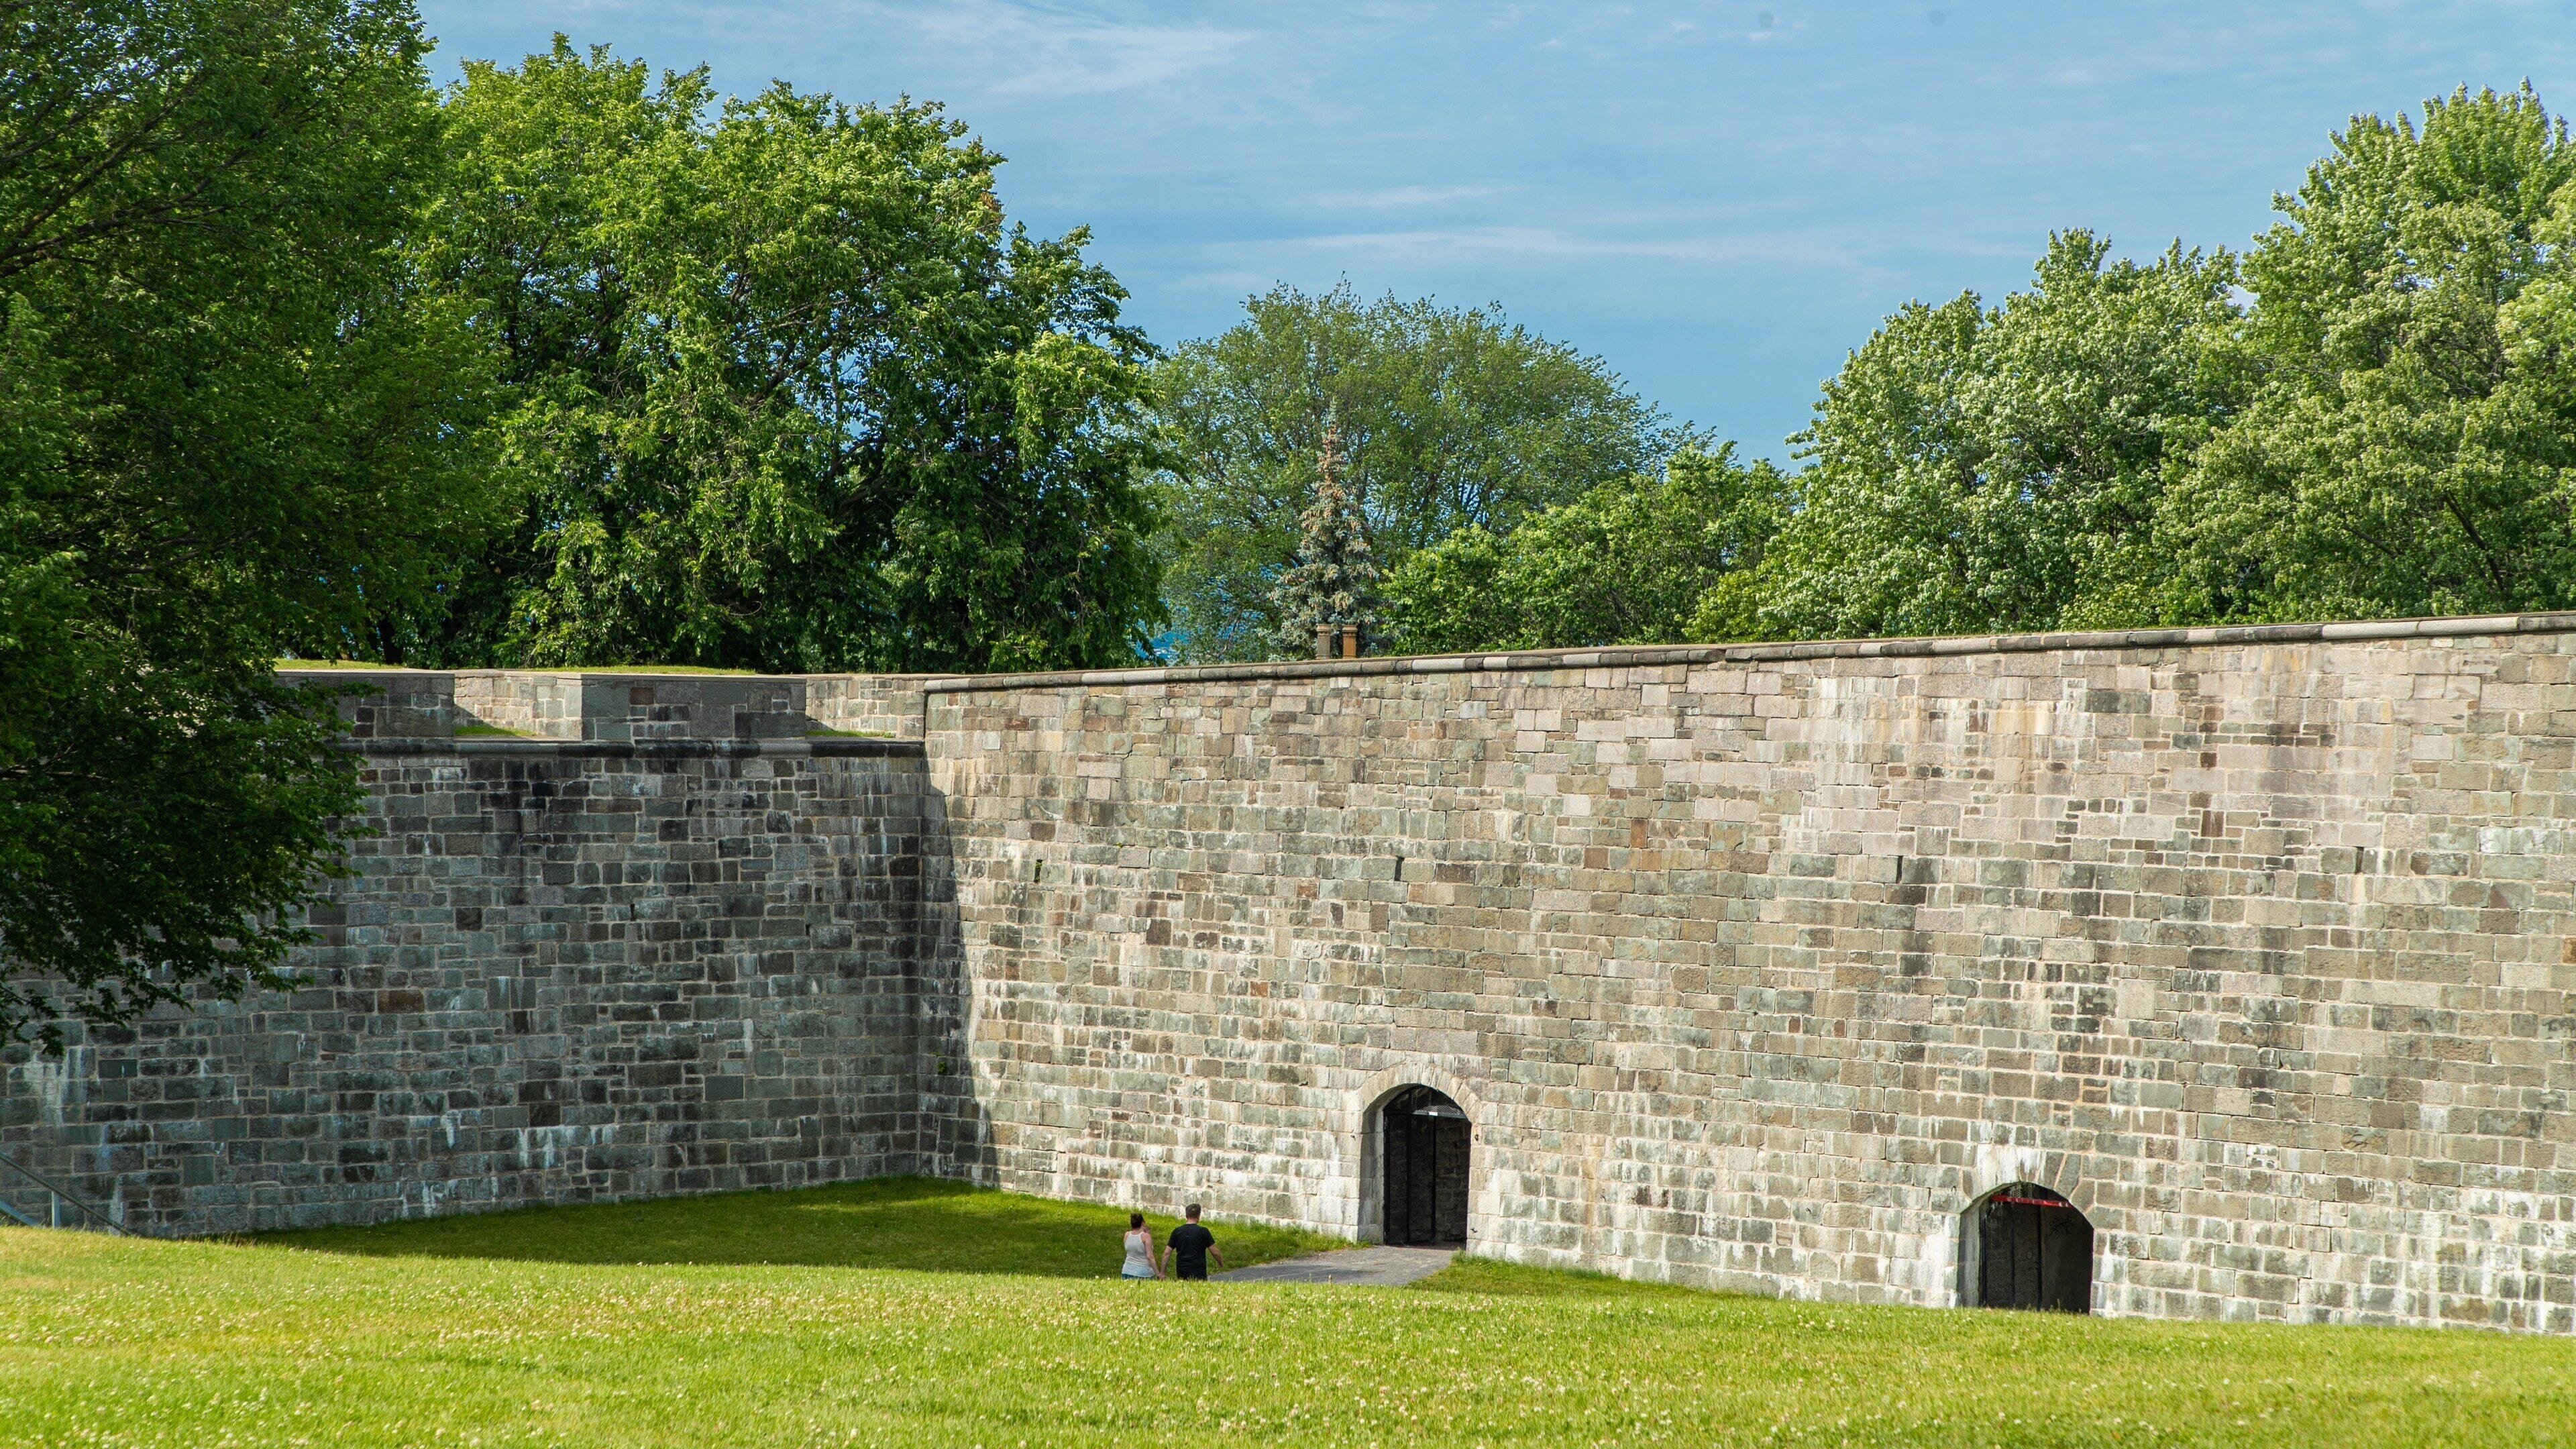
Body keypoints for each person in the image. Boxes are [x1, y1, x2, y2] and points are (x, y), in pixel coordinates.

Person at [1166, 1203, 1223, 1281]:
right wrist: (1220, 1262)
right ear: (1199, 1216)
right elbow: (1214, 1252)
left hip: (1182, 1270)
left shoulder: (1177, 1231)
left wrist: (1162, 1271)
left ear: (1186, 1215)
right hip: (1198, 1271)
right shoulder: (1203, 1231)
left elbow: (1167, 1253)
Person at [1120, 1212, 1163, 1280]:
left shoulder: (1127, 1235)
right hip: (1143, 1272)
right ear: (1143, 1223)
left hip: (1127, 1271)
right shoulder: (1146, 1237)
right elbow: (1150, 1256)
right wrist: (1158, 1274)